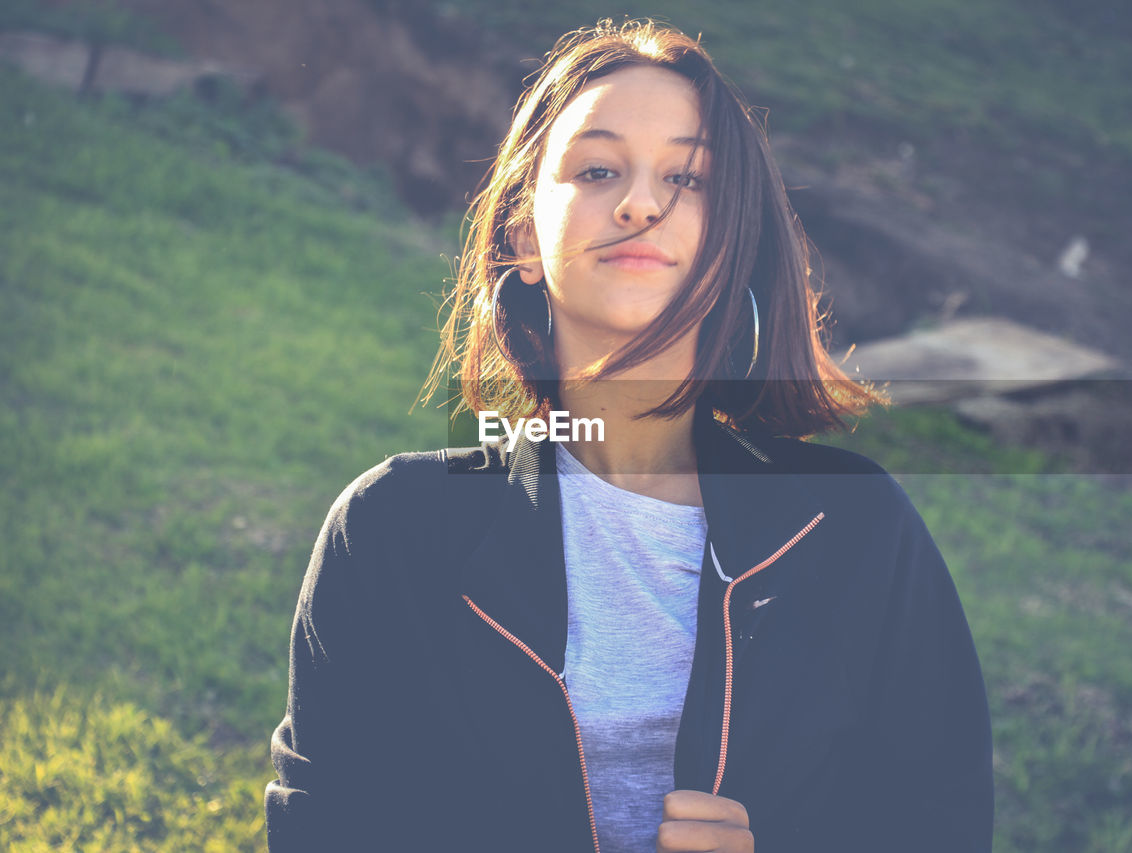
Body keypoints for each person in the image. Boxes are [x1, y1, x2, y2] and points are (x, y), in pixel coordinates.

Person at [265, 19, 993, 853]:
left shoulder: (856, 527)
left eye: (687, 177)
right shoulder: (391, 529)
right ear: (522, 240)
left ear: (731, 244)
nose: (641, 203)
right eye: (599, 168)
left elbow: (940, 824)